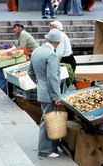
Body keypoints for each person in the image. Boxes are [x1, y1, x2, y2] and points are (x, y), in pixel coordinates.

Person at [28, 28, 62, 158]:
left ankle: (50, 148)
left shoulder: (37, 50)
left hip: (41, 91)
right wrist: (56, 96)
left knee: (46, 119)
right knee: (47, 120)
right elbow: (52, 77)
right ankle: (45, 150)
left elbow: (30, 72)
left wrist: (39, 83)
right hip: (49, 93)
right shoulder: (51, 55)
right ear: (57, 43)